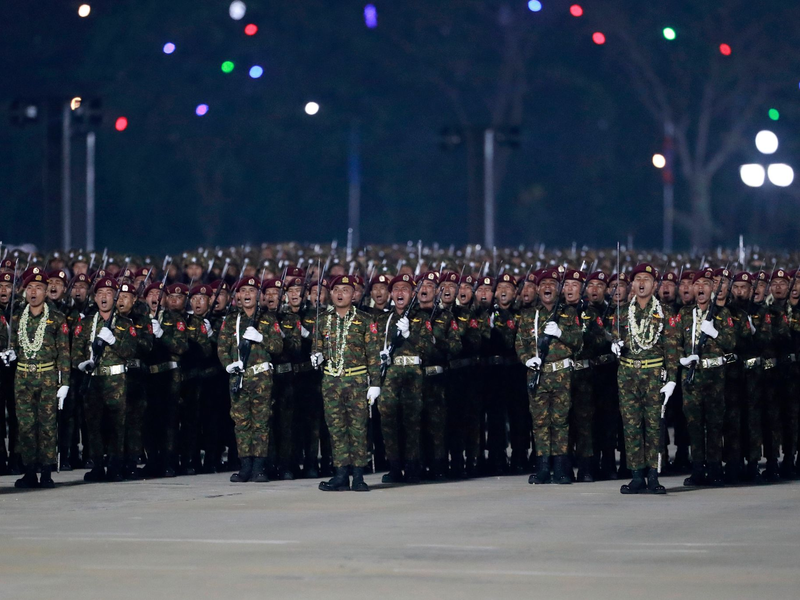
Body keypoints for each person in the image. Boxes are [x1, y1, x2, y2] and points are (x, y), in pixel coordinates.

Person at [609, 263, 677, 494]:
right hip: (628, 374)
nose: (641, 283)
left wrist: (672, 379)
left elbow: (672, 348)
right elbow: (616, 338)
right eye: (637, 279)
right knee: (631, 427)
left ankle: (653, 475)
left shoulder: (665, 312)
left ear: (655, 285)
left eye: (646, 279)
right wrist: (615, 345)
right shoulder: (622, 312)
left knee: (654, 427)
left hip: (653, 374)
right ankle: (636, 475)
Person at [311, 274, 380, 491]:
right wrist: (316, 356)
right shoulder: (322, 319)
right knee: (336, 429)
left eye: (345, 290)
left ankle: (358, 475)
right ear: (330, 294)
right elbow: (317, 346)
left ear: (355, 294)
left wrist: (375, 383)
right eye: (336, 290)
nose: (340, 294)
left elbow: (373, 355)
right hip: (331, 381)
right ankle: (340, 474)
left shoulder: (365, 320)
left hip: (356, 380)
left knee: (358, 429)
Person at [515, 267, 582, 485]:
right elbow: (520, 343)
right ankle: (543, 467)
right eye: (543, 284)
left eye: (551, 284)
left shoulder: (568, 314)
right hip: (538, 374)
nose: (547, 288)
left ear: (558, 289)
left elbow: (579, 343)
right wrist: (527, 359)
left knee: (560, 422)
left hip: (561, 374)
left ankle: (562, 468)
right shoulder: (528, 316)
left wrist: (561, 333)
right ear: (536, 289)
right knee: (540, 422)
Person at [5, 269, 70, 488]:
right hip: (23, 375)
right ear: (24, 292)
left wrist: (65, 383)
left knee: (47, 426)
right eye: (30, 288)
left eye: (39, 288)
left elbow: (64, 353)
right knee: (25, 426)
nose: (34, 292)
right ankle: (29, 470)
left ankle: (46, 472)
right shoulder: (16, 317)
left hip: (48, 376)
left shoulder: (57, 318)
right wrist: (8, 354)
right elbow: (11, 345)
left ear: (45, 292)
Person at [217, 275, 283, 483]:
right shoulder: (231, 320)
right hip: (239, 377)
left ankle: (259, 467)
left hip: (261, 377)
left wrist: (262, 338)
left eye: (251, 291)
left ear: (259, 296)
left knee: (261, 423)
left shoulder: (268, 319)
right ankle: (245, 466)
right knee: (241, 422)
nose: (247, 294)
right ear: (237, 296)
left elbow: (278, 347)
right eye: (243, 291)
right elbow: (222, 347)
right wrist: (228, 363)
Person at [73, 277, 138, 482]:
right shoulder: (85, 324)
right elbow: (76, 352)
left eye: (108, 293)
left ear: (115, 297)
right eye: (100, 293)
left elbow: (130, 351)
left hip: (116, 380)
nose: (104, 297)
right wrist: (82, 364)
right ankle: (98, 466)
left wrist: (114, 341)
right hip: (93, 379)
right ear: (94, 298)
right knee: (93, 425)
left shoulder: (125, 324)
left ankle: (115, 466)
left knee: (117, 425)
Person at [675, 268, 736, 487]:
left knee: (714, 424)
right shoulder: (684, 314)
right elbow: (675, 343)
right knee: (694, 424)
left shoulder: (723, 314)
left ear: (713, 289)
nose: (701, 288)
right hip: (692, 375)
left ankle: (715, 468)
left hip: (714, 376)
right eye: (697, 284)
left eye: (706, 284)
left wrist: (715, 333)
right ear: (692, 288)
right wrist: (681, 360)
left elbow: (732, 344)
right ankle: (698, 468)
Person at [372, 273, 434, 483]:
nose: (400, 293)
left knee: (412, 423)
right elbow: (374, 348)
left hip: (412, 375)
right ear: (391, 294)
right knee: (388, 422)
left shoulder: (421, 318)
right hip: (390, 375)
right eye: (396, 289)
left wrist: (410, 335)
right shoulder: (384, 320)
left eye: (405, 289)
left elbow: (429, 349)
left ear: (412, 294)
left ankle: (413, 466)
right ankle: (395, 467)